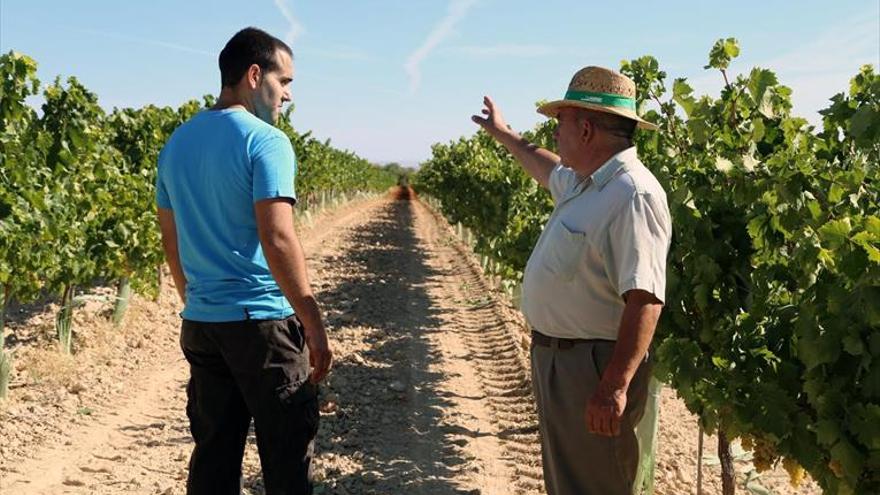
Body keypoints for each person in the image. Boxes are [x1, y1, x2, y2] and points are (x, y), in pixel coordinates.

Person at [471, 66, 671, 495]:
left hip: (593, 368)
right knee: (569, 483)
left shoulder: (632, 194)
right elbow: (544, 166)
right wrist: (503, 133)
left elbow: (646, 298)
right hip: (561, 362)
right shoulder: (586, 184)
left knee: (597, 484)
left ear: (584, 130)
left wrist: (613, 386)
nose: (554, 135)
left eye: (558, 124)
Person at [156, 27, 331, 495]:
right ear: (255, 75)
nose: (288, 96)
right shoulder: (267, 142)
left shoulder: (176, 144)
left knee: (213, 457)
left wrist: (196, 301)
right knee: (287, 458)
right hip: (262, 326)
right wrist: (311, 320)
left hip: (202, 325)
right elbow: (276, 237)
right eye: (285, 81)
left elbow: (170, 241)